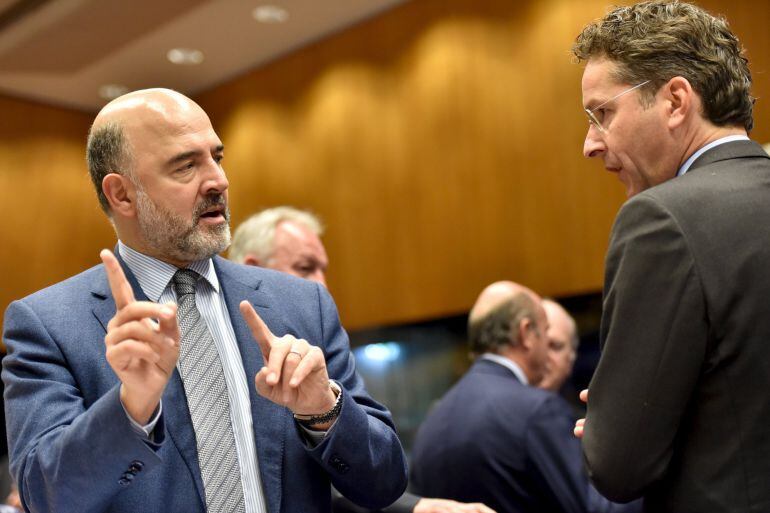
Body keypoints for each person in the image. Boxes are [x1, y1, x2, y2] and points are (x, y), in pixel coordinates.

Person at [2, 89, 407, 513]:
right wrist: (130, 409)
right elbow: (47, 498)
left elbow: (385, 483)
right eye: (185, 166)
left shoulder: (302, 304)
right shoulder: (48, 325)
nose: (218, 181)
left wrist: (324, 412)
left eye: (217, 157)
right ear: (122, 195)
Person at [574, 1, 770, 511]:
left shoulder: (661, 220)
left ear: (676, 101)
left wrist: (609, 422)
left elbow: (618, 466)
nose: (590, 145)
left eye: (602, 113)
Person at [231, 207, 496, 513]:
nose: (322, 285)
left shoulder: (321, 340)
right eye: (306, 268)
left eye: (323, 270)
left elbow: (355, 465)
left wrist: (418, 507)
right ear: (254, 267)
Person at [409, 282, 637, 513]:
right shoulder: (536, 409)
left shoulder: (433, 420)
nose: (548, 354)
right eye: (545, 334)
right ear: (526, 333)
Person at [538, 299, 579, 393]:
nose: (543, 355)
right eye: (538, 345)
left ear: (571, 357)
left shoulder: (589, 406)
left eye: (555, 346)